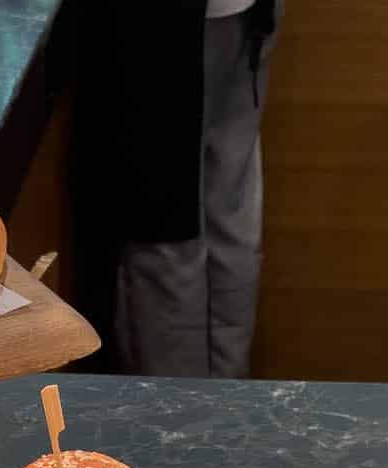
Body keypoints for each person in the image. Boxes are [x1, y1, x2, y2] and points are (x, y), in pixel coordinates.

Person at [71, 0, 281, 378]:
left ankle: (181, 418)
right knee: (228, 210)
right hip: (238, 14)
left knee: (164, 228)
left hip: (162, 24)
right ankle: (222, 407)